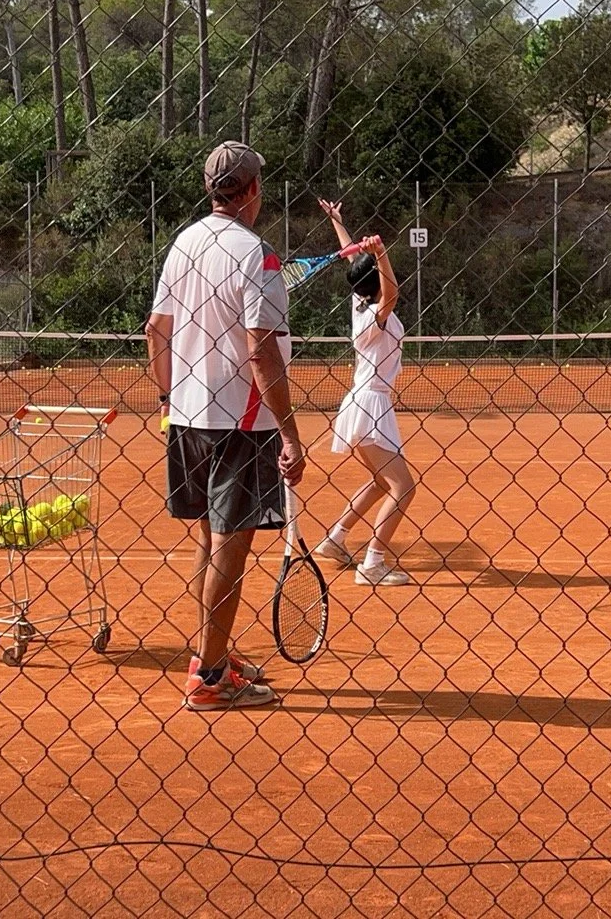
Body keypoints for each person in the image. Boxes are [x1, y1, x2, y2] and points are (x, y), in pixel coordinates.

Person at [145, 141, 306, 711]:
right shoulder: (257, 255)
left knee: (210, 539)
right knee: (230, 547)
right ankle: (211, 678)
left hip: (187, 417)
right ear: (254, 191)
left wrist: (171, 398)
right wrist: (288, 431)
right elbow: (262, 349)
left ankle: (211, 651)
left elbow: (154, 330)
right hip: (240, 422)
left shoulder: (184, 242)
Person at [314, 199, 415, 587]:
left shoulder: (359, 301)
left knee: (380, 482)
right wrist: (381, 252)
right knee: (403, 488)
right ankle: (372, 562)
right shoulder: (376, 312)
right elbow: (392, 293)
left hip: (363, 402)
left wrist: (340, 224)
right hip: (371, 403)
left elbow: (351, 264)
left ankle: (336, 539)